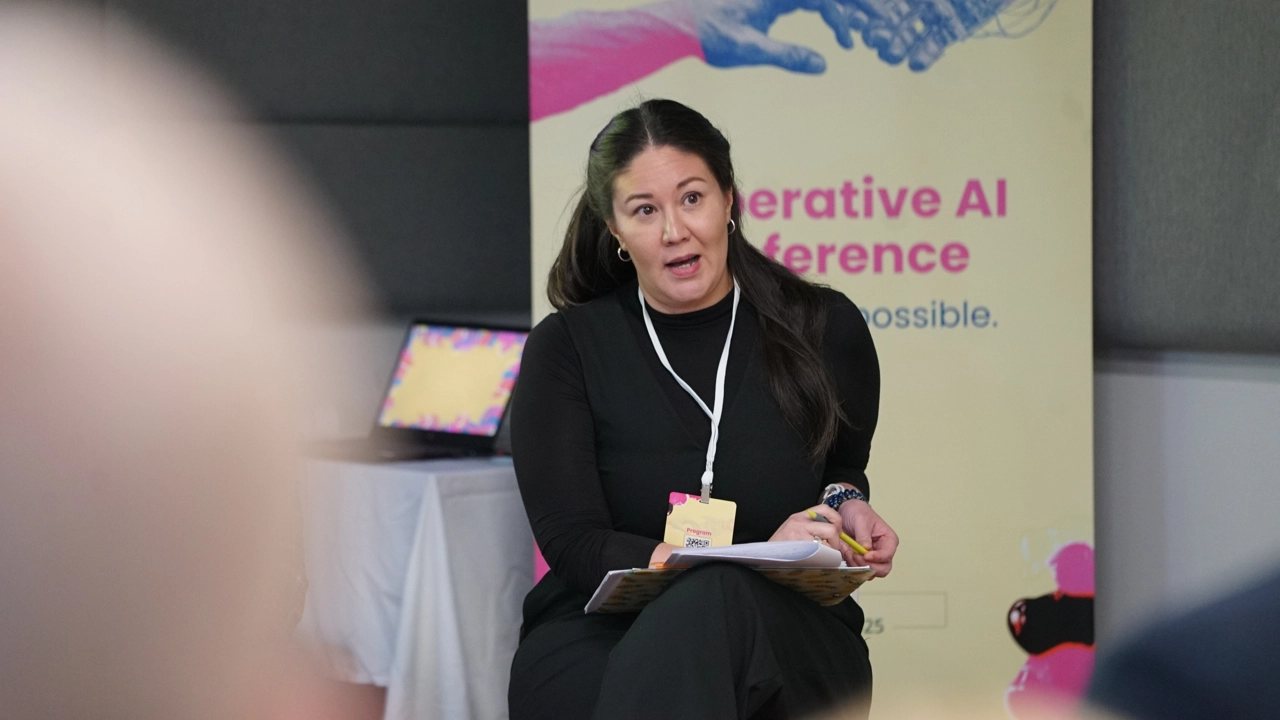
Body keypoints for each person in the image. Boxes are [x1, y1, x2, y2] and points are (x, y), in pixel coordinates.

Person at [508, 98, 899, 720]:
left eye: (692, 198)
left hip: (789, 631)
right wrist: (727, 557)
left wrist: (842, 504)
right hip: (604, 628)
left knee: (720, 600)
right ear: (614, 229)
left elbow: (842, 472)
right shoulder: (568, 348)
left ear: (728, 199)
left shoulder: (825, 329)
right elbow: (573, 540)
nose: (674, 230)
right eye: (644, 210)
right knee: (702, 605)